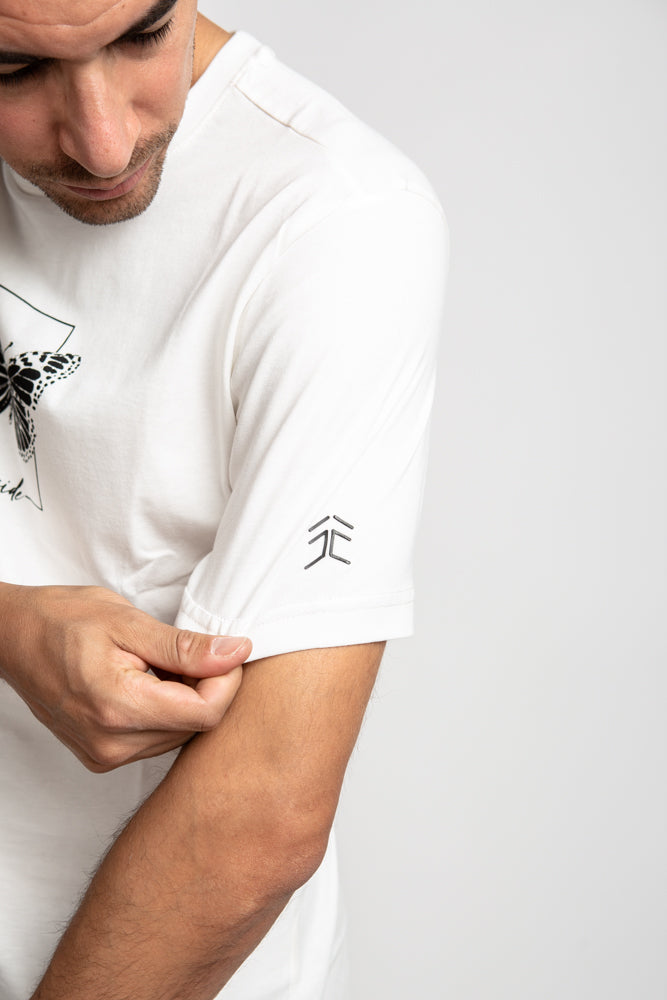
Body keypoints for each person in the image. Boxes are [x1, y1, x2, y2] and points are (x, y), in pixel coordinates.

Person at [0, 1, 448, 997]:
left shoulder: (336, 220)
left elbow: (261, 813)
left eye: (141, 34)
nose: (103, 142)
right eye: (12, 71)